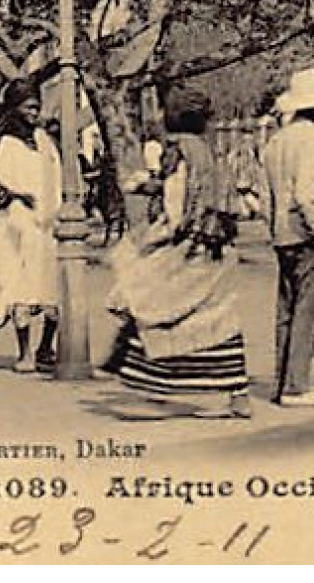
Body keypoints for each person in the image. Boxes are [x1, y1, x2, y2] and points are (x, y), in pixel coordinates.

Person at [104, 87, 252, 418]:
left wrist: (154, 235)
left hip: (188, 246)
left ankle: (154, 390)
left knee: (154, 306)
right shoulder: (207, 150)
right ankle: (236, 393)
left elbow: (177, 202)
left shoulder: (178, 151)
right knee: (216, 316)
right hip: (214, 245)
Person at [260, 67, 314, 407]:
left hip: (283, 235)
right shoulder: (310, 142)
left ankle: (283, 380)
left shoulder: (275, 143)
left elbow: (266, 194)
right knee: (309, 310)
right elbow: (310, 195)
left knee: (287, 310)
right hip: (308, 235)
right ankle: (297, 385)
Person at [0, 80, 63, 373]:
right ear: (16, 108)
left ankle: (46, 347)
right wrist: (19, 196)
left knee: (51, 288)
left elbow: (56, 177)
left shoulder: (45, 142)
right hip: (16, 223)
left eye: (37, 106)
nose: (34, 112)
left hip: (46, 223)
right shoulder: (6, 143)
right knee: (20, 285)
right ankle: (25, 353)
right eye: (28, 107)